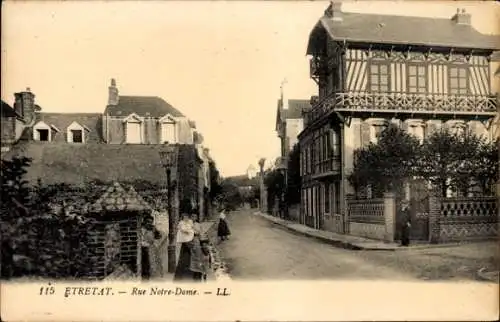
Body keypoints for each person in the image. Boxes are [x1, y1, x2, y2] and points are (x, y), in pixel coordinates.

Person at [173, 213, 195, 281]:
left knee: (187, 253)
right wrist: (188, 230)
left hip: (188, 237)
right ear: (182, 218)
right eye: (184, 217)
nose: (186, 218)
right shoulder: (181, 223)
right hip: (184, 238)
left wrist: (190, 229)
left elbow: (191, 227)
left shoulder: (188, 222)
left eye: (187, 217)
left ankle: (188, 267)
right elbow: (183, 229)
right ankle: (184, 269)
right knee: (184, 253)